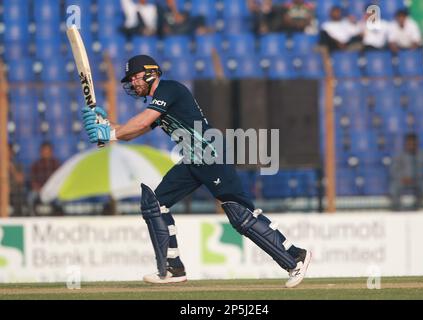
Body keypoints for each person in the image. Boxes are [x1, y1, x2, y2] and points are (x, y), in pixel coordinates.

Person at [81, 55, 311, 288]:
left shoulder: (170, 89)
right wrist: (105, 124)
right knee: (155, 205)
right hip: (194, 159)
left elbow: (140, 123)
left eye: (135, 77)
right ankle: (173, 269)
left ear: (151, 73)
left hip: (210, 154)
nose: (133, 83)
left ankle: (295, 257)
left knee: (240, 215)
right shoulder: (159, 102)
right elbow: (131, 132)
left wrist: (108, 134)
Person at [389, 133, 423, 211]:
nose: (411, 145)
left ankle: (418, 207)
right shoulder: (399, 156)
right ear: (405, 144)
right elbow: (393, 170)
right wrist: (402, 177)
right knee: (394, 185)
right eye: (409, 143)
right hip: (402, 180)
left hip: (418, 180)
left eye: (413, 143)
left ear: (417, 144)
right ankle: (397, 208)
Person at [29, 142, 62, 215]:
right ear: (41, 152)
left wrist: (52, 190)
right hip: (39, 190)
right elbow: (33, 181)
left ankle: (59, 216)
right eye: (44, 151)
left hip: (53, 191)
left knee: (60, 198)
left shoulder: (56, 164)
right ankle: (32, 216)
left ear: (51, 152)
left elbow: (59, 180)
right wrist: (40, 189)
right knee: (31, 197)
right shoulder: (35, 165)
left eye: (48, 151)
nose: (46, 153)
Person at [8, 144, 27, 216]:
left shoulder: (18, 165)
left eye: (9, 151)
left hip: (15, 193)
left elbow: (21, 180)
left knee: (19, 195)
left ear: (12, 153)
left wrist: (12, 168)